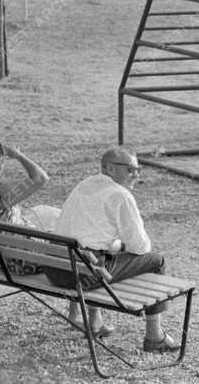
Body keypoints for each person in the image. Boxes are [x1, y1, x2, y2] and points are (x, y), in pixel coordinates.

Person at [45, 147, 180, 352]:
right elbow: (141, 246)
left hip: (55, 269)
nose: (136, 174)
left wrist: (116, 245)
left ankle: (95, 322)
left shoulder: (85, 184)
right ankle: (155, 336)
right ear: (109, 168)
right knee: (156, 261)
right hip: (83, 276)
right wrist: (121, 245)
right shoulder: (120, 194)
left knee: (100, 252)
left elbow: (88, 236)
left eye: (138, 169)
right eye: (130, 169)